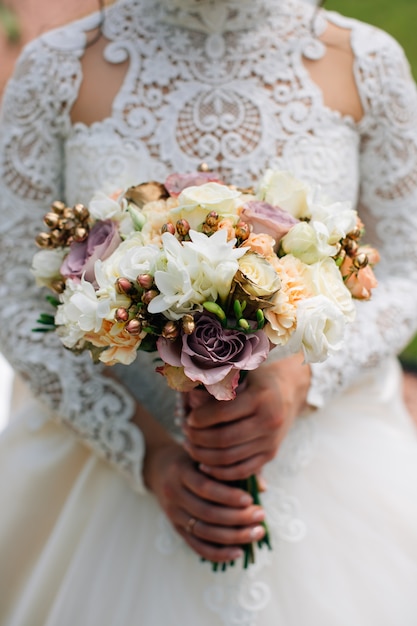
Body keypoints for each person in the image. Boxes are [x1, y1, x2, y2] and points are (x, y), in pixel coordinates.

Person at [0, 0, 417, 623]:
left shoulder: (365, 62)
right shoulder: (56, 69)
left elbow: (406, 270)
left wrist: (300, 380)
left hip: (331, 461)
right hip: (107, 469)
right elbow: (15, 292)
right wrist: (146, 451)